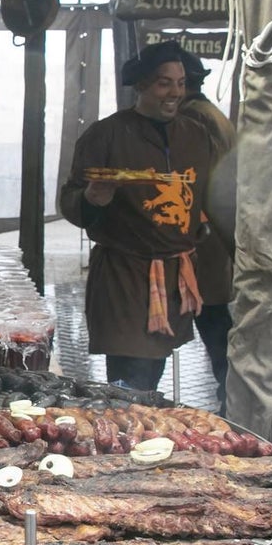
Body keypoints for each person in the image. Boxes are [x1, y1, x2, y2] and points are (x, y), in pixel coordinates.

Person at [58, 40, 214, 392]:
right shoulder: (106, 134)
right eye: (164, 83)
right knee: (132, 378)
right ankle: (130, 435)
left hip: (175, 274)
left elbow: (202, 196)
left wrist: (199, 225)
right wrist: (91, 198)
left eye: (180, 83)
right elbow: (69, 203)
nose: (174, 92)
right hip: (125, 276)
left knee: (152, 370)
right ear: (141, 86)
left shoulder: (195, 135)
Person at [178, 50, 237, 416]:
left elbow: (202, 186)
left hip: (205, 240)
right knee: (216, 325)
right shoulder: (211, 115)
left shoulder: (195, 121)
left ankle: (232, 405)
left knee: (215, 325)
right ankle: (230, 400)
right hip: (214, 238)